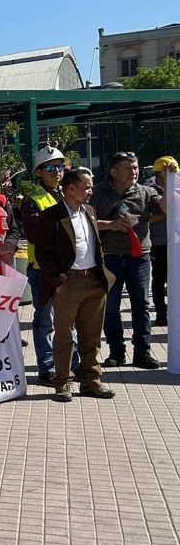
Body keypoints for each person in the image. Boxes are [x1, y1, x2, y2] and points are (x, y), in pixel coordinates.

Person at [35, 168, 117, 402]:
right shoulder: (51, 216)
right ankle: (63, 381)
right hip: (68, 282)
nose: (91, 191)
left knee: (92, 335)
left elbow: (95, 245)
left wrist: (102, 276)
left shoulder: (89, 211)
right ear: (71, 189)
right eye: (87, 187)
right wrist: (59, 283)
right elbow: (43, 254)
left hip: (94, 280)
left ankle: (91, 380)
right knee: (64, 336)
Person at [89, 151, 166, 369]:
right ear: (113, 172)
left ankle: (143, 353)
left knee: (141, 306)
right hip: (109, 257)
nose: (134, 172)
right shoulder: (96, 193)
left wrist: (169, 183)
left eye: (135, 167)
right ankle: (116, 352)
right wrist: (111, 225)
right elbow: (85, 220)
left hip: (139, 258)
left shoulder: (146, 192)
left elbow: (166, 210)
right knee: (110, 307)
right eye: (128, 168)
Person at [21, 146, 78, 386]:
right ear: (39, 172)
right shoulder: (33, 200)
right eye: (50, 167)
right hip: (42, 270)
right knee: (44, 321)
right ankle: (46, 368)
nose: (57, 171)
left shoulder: (69, 194)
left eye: (60, 166)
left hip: (69, 268)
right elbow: (35, 236)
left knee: (69, 319)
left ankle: (74, 365)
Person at [147, 156, 178, 326]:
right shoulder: (150, 190)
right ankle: (161, 313)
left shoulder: (177, 187)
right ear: (159, 174)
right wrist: (163, 215)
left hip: (176, 242)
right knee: (159, 278)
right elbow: (146, 218)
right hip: (158, 243)